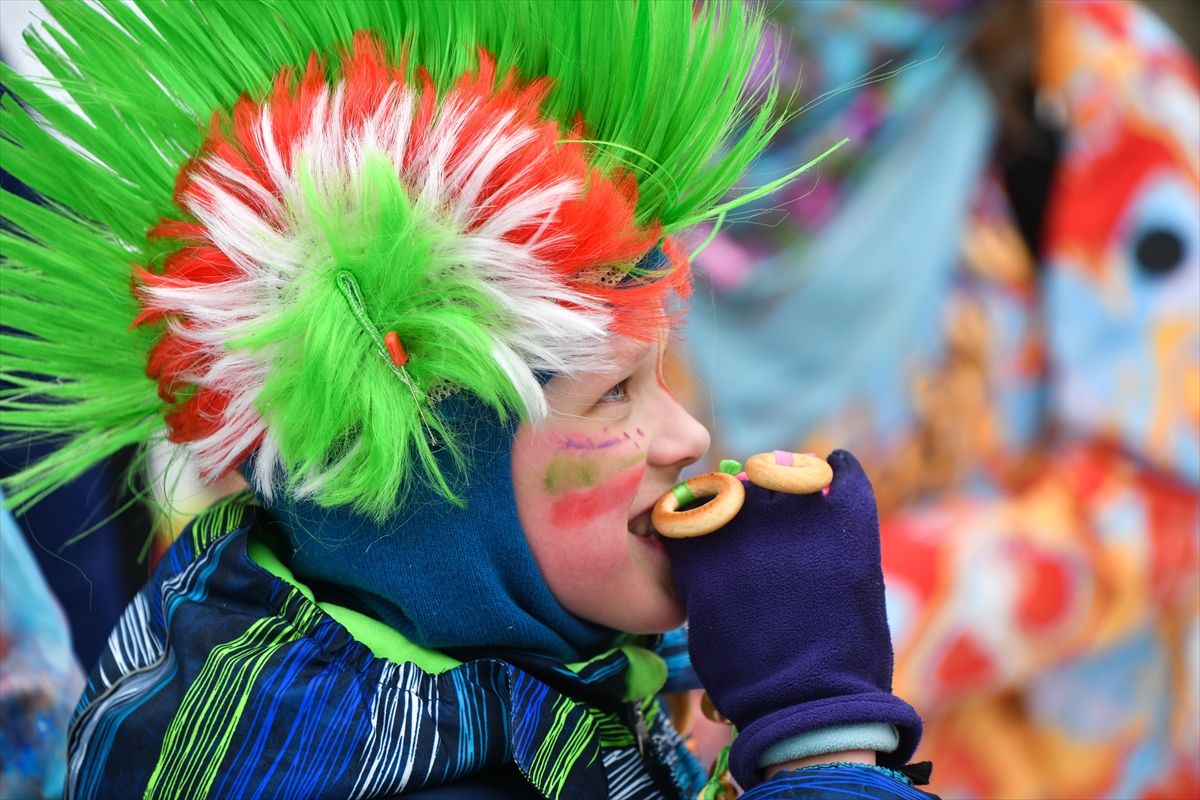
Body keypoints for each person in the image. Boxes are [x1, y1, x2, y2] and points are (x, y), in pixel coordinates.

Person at [0, 2, 935, 797]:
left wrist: (633, 669)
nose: (687, 435)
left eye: (655, 378)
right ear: (429, 483)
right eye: (614, 395)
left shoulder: (299, 604)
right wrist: (823, 731)